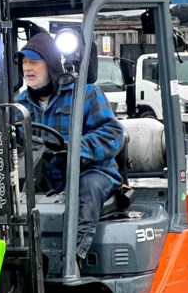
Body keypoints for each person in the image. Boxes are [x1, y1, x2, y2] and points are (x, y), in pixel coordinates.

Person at [14, 31, 125, 265]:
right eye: (24, 62)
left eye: (34, 62)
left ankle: (71, 260)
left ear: (51, 64)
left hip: (91, 172)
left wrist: (72, 148)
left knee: (85, 188)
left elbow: (113, 134)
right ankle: (15, 254)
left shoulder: (85, 94)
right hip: (44, 179)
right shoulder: (20, 104)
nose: (27, 68)